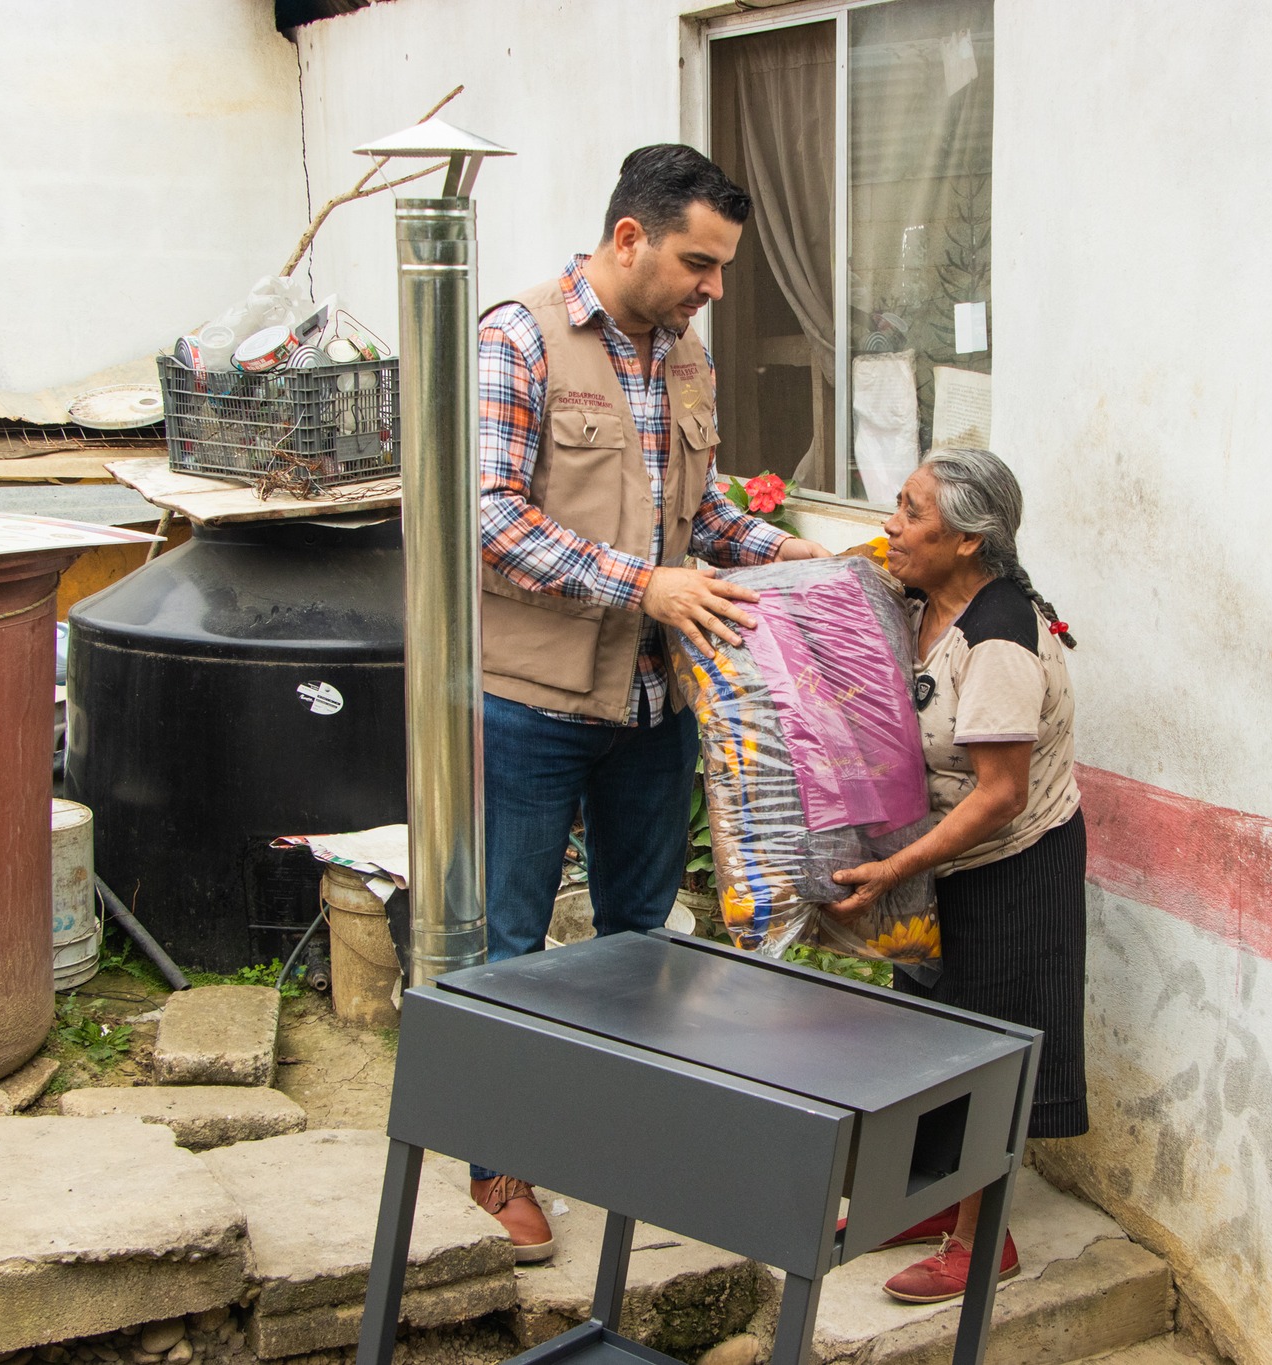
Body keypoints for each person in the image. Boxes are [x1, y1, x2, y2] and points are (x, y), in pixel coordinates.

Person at [472, 144, 828, 1258]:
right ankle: (499, 1161)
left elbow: (700, 511)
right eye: (698, 264)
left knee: (641, 940)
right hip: (530, 702)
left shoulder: (686, 355)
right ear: (629, 238)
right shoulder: (519, 339)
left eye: (720, 268)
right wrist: (646, 585)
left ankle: (623, 1141)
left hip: (650, 708)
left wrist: (790, 554)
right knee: (512, 943)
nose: (712, 288)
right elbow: (490, 518)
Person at [829, 447, 1086, 1305]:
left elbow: (1001, 795)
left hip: (1008, 864)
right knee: (923, 1035)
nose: (891, 525)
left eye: (912, 512)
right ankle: (928, 1197)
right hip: (936, 857)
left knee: (986, 1049)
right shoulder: (917, 598)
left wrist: (894, 866)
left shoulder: (999, 638)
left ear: (970, 540)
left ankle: (982, 1241)